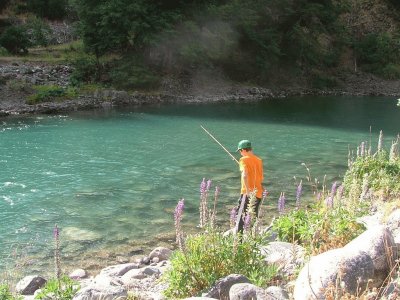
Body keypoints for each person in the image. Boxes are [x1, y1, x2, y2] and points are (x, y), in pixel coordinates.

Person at [235, 139, 264, 234]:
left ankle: (239, 242)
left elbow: (245, 175)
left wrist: (247, 191)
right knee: (253, 216)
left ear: (243, 150)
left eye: (239, 151)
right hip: (258, 192)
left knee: (240, 216)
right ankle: (253, 237)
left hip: (247, 193)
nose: (240, 153)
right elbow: (260, 177)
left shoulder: (243, 160)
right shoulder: (259, 160)